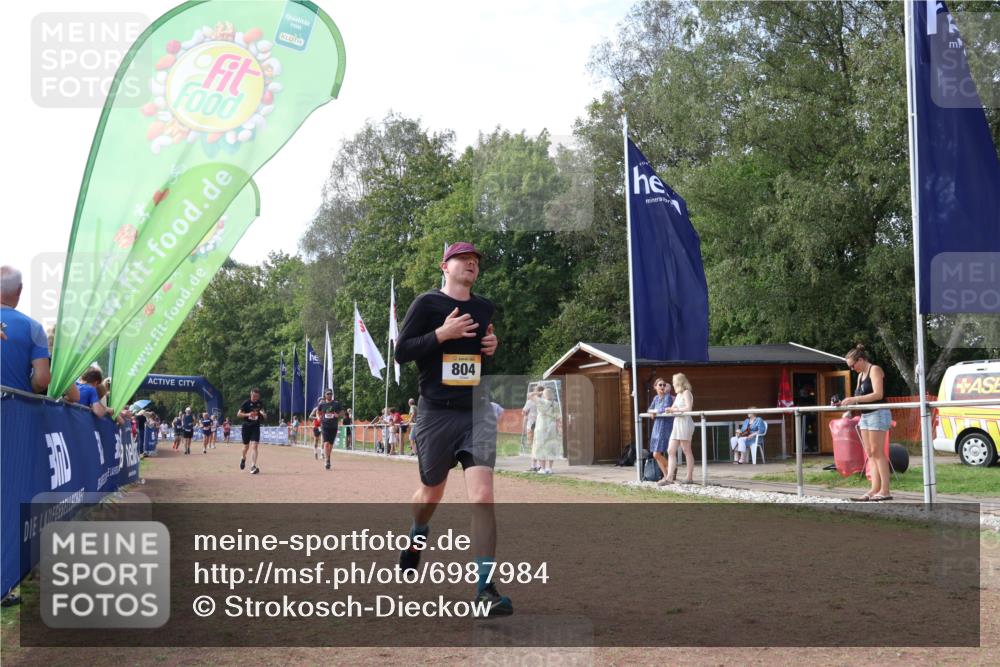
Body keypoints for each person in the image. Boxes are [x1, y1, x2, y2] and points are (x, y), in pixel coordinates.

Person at [394, 241, 511, 617]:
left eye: (476, 260)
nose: (471, 264)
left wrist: (490, 346)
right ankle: (417, 533)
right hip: (436, 413)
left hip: (474, 410)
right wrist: (441, 334)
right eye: (463, 259)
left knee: (483, 496)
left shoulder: (483, 306)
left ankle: (485, 589)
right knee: (431, 493)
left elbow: (477, 355)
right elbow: (402, 351)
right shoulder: (426, 304)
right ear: (444, 266)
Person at [838, 344, 893, 502]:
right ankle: (874, 489)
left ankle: (885, 490)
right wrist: (847, 406)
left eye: (853, 365)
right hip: (865, 416)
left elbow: (878, 394)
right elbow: (858, 397)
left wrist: (854, 399)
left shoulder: (874, 370)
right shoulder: (860, 375)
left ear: (860, 360)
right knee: (870, 453)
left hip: (878, 413)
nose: (852, 369)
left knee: (877, 452)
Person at [1, 266, 50, 395]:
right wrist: (25, 389)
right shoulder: (34, 328)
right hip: (16, 408)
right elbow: (42, 380)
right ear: (19, 290)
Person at [663, 372, 695, 486]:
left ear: (679, 382)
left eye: (673, 381)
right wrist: (669, 409)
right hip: (677, 423)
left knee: (687, 450)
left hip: (685, 423)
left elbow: (688, 408)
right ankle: (669, 477)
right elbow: (674, 407)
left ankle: (689, 476)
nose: (672, 384)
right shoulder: (678, 395)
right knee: (671, 450)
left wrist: (674, 410)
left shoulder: (686, 392)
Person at [647, 378, 675, 478]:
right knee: (655, 454)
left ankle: (671, 469)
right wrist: (651, 412)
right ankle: (666, 475)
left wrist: (655, 412)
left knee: (656, 453)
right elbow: (649, 409)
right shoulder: (655, 398)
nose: (662, 387)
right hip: (657, 426)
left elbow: (665, 408)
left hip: (665, 426)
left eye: (664, 385)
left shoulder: (667, 397)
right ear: (655, 387)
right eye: (660, 385)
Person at [531, 387, 561, 475]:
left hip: (541, 427)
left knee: (540, 447)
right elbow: (558, 417)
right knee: (551, 447)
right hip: (551, 428)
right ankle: (550, 468)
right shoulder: (555, 404)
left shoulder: (541, 401)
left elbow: (529, 395)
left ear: (544, 395)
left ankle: (542, 469)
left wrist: (539, 392)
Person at [237, 388, 266, 474]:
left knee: (255, 446)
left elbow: (264, 413)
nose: (254, 398)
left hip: (255, 426)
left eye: (256, 396)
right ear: (251, 394)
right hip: (246, 426)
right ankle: (243, 458)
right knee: (246, 446)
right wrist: (248, 414)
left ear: (258, 396)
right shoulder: (246, 403)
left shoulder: (260, 403)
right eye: (253, 396)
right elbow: (238, 414)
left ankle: (253, 466)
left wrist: (263, 415)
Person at [313, 389, 342, 470]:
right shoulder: (322, 404)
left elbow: (342, 412)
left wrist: (338, 415)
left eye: (330, 394)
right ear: (325, 395)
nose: (329, 395)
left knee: (331, 445)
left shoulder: (336, 403)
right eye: (328, 394)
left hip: (334, 426)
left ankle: (328, 457)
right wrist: (318, 418)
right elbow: (317, 412)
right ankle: (327, 460)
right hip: (325, 426)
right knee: (326, 443)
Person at [522, 386, 543, 471]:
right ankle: (539, 465)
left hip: (532, 425)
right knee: (539, 445)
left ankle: (535, 466)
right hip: (541, 425)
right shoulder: (545, 400)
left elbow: (524, 412)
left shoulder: (531, 401)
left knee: (533, 446)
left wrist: (526, 414)